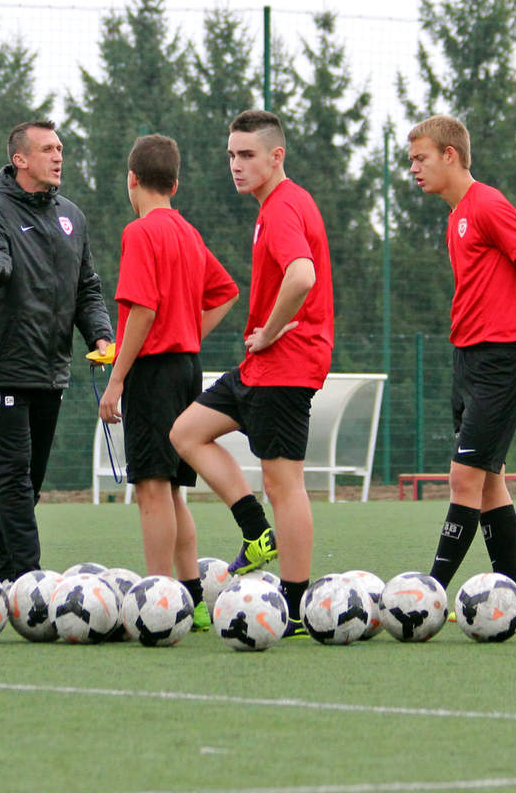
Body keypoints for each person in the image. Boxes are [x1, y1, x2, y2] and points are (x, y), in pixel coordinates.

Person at [170, 109, 334, 639]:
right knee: (186, 432)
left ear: (275, 156)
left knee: (284, 483)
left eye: (246, 155)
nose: (236, 166)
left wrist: (269, 331)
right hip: (258, 366)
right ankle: (255, 530)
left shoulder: (286, 206)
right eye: (231, 156)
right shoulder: (276, 206)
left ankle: (294, 604)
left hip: (285, 363)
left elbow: (303, 275)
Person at [406, 115, 516, 617]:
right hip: (468, 359)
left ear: (450, 155)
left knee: (464, 478)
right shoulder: (456, 217)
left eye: (421, 158)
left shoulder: (488, 203)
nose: (414, 169)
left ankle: (428, 593)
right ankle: (513, 595)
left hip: (500, 361)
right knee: (490, 481)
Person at [0, 120, 113, 583]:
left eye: (60, 148)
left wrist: (100, 334)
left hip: (51, 368)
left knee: (30, 483)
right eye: (47, 149)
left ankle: (4, 578)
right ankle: (30, 580)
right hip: (4, 365)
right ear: (20, 159)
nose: (58, 156)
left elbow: (87, 286)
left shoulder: (72, 216)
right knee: (14, 478)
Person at [97, 134, 239, 631]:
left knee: (153, 489)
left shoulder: (139, 232)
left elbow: (143, 307)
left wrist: (117, 379)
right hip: (187, 369)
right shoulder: (187, 231)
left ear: (131, 180)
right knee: (175, 491)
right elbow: (225, 292)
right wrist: (188, 332)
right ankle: (193, 600)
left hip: (154, 372)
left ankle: (157, 604)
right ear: (175, 183)